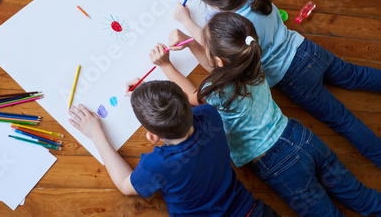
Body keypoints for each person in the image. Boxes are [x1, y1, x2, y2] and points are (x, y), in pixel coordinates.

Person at [152, 11, 381, 216]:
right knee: (363, 198)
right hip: (301, 137)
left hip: (279, 163)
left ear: (219, 60)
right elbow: (219, 69)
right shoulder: (252, 59)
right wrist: (192, 44)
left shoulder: (219, 91)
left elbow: (192, 94)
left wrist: (165, 65)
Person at [173, 0, 381, 167]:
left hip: (294, 77)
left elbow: (210, 43)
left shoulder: (236, 26)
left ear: (218, 6)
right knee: (357, 75)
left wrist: (185, 20)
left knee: (343, 120)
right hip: (308, 50)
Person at [68, 80, 279, 216]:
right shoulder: (209, 114)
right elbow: (186, 109)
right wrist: (146, 101)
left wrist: (96, 135)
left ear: (153, 136)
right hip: (252, 211)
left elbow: (125, 185)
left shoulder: (159, 165)